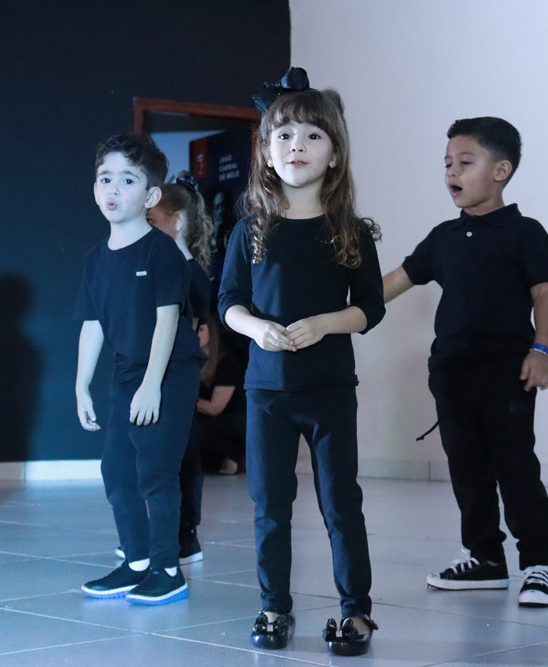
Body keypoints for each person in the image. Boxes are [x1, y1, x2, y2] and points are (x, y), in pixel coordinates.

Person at [219, 67, 383, 655]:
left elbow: (369, 307)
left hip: (330, 388)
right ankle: (273, 607)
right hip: (266, 391)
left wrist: (325, 323)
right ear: (266, 150)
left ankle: (356, 612)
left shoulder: (350, 231)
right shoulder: (250, 229)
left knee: (341, 503)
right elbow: (229, 302)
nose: (297, 146)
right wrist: (257, 328)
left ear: (334, 154)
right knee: (270, 506)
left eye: (313, 135)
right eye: (284, 135)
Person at [383, 117, 548, 607]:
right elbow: (395, 281)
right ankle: (485, 559)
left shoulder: (525, 232)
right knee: (467, 468)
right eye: (447, 164)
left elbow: (544, 294)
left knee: (515, 465)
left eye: (465, 162)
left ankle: (539, 563)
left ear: (501, 171)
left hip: (507, 371)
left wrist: (542, 350)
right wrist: (341, 308)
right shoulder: (443, 237)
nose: (451, 172)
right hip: (452, 372)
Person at [75, 133, 204, 605]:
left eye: (127, 180)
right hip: (127, 373)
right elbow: (92, 324)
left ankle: (168, 569)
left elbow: (169, 320)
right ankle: (135, 562)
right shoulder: (95, 258)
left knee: (156, 471)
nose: (113, 189)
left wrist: (152, 385)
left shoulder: (161, 251)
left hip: (169, 373)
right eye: (105, 178)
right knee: (116, 469)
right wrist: (81, 386)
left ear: (151, 196)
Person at [148, 171, 215, 564]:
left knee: (182, 452)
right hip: (161, 370)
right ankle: (167, 533)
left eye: (152, 220)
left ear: (178, 220)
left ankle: (185, 534)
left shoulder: (189, 273)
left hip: (178, 372)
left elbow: (190, 330)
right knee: (165, 453)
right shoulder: (163, 265)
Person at [193, 319, 246, 475]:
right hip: (210, 420)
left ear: (212, 333)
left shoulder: (226, 363)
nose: (195, 334)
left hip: (233, 420)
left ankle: (236, 455)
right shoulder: (190, 363)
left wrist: (182, 398)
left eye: (201, 330)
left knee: (198, 428)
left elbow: (214, 408)